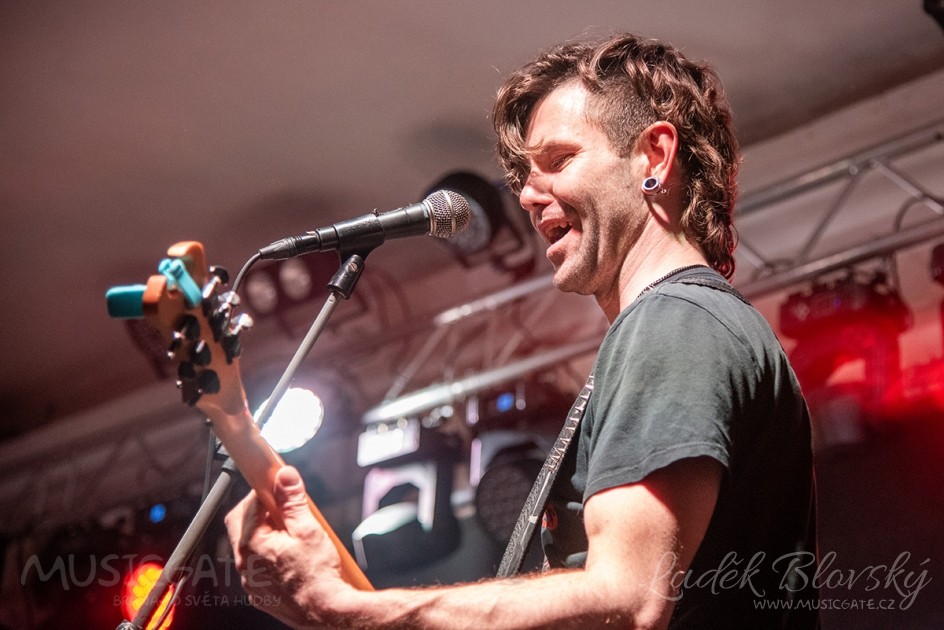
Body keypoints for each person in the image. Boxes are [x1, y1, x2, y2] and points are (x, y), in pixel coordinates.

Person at [225, 32, 819, 629]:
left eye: (558, 160)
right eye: (524, 177)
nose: (529, 197)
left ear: (654, 156)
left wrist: (346, 611)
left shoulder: (674, 320)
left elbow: (627, 599)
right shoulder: (682, 323)